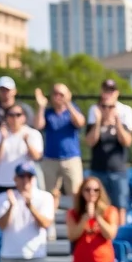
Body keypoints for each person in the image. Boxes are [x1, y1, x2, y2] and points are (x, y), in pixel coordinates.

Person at [33, 84, 87, 213]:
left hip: (71, 158)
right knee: (49, 194)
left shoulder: (73, 110)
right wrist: (41, 106)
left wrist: (68, 104)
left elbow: (80, 122)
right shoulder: (48, 113)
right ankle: (49, 225)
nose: (58, 97)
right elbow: (37, 125)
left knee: (76, 193)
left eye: (61, 94)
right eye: (55, 94)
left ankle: (76, 222)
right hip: (50, 158)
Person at [86, 79, 132, 212]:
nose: (107, 109)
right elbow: (90, 141)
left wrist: (117, 121)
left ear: (117, 93)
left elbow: (127, 141)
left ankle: (120, 232)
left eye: (111, 90)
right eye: (104, 106)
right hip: (98, 169)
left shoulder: (125, 111)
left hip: (118, 170)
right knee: (99, 205)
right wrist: (99, 121)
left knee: (120, 205)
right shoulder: (94, 110)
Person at [0, 161, 55, 262]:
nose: (25, 181)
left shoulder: (45, 197)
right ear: (15, 179)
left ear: (34, 179)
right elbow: (1, 226)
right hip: (9, 255)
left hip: (35, 255)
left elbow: (45, 224)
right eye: (22, 177)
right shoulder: (3, 198)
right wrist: (11, 207)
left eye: (29, 177)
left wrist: (31, 207)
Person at [66, 175, 121, 262]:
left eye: (96, 190)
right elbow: (72, 236)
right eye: (87, 190)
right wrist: (85, 218)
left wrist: (98, 217)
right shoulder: (73, 213)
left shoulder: (110, 211)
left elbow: (110, 235)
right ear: (82, 192)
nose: (92, 193)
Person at [0, 103, 43, 195]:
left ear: (24, 117)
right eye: (11, 115)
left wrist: (27, 142)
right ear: (6, 117)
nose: (14, 118)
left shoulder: (33, 133)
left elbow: (37, 156)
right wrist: (2, 139)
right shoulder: (0, 134)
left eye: (18, 115)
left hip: (25, 183)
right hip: (4, 181)